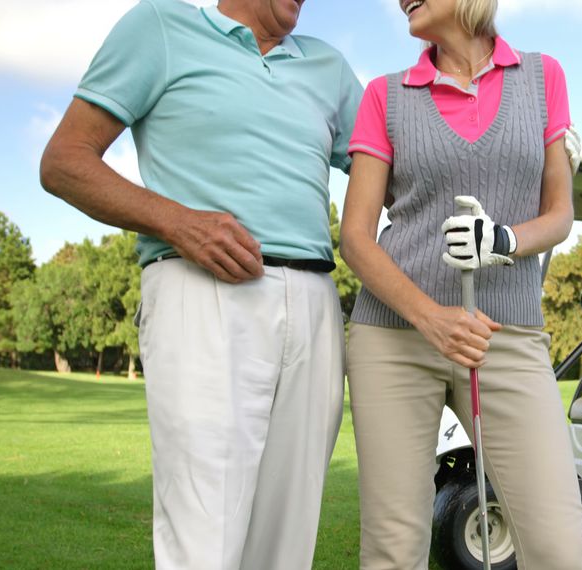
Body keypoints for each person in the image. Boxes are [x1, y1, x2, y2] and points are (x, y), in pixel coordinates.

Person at [38, 0, 362, 567]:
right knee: (204, 536)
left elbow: (401, 165)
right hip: (200, 289)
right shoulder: (161, 26)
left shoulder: (328, 67)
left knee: (287, 543)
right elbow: (64, 161)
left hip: (315, 302)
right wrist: (178, 222)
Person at [339, 0, 582, 567]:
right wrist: (431, 318)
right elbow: (356, 236)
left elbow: (559, 214)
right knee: (393, 545)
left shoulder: (543, 76)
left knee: (559, 546)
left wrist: (502, 240)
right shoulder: (386, 95)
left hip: (507, 334)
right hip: (395, 338)